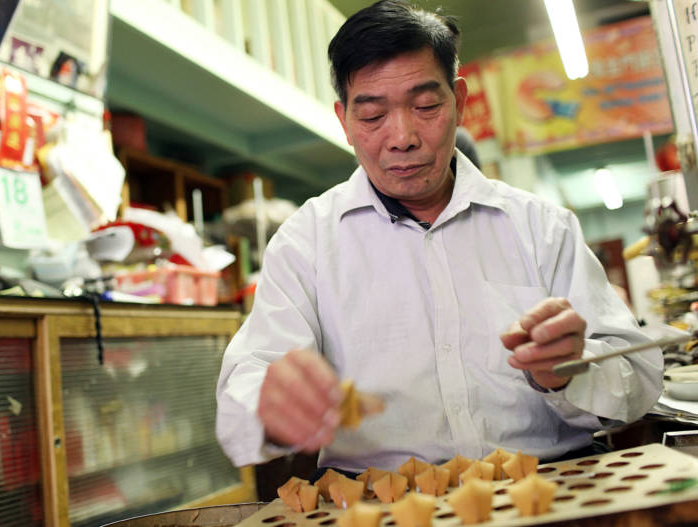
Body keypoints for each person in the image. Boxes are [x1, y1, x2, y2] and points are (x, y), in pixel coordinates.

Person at [215, 0, 662, 474]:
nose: (403, 136)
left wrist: (569, 373)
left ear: (460, 102)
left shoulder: (542, 227)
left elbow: (638, 377)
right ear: (344, 121)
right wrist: (272, 404)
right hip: (383, 504)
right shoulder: (305, 244)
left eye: (426, 105)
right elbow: (242, 397)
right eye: (372, 117)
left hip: (549, 487)